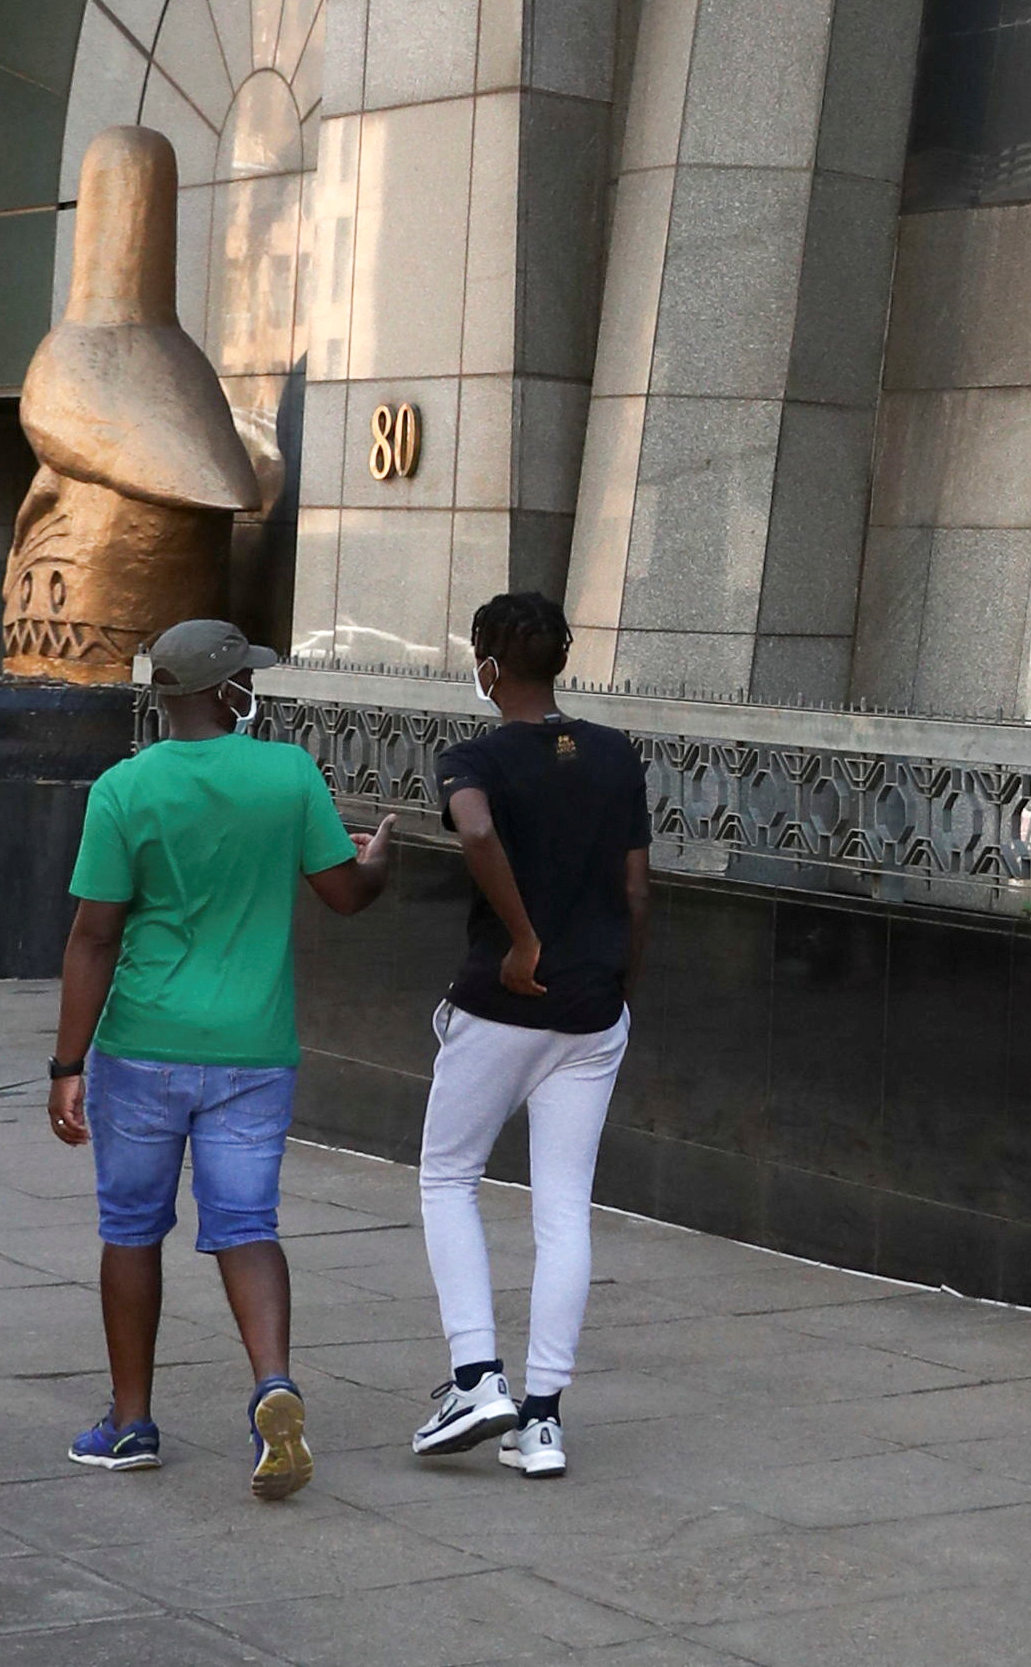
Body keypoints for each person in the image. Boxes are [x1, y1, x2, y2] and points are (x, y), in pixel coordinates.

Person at [48, 619, 396, 1497]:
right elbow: (344, 895)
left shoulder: (124, 789)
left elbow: (93, 936)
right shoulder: (286, 775)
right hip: (253, 1048)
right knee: (247, 1225)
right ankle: (272, 1385)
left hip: (142, 1044)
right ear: (223, 691)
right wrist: (379, 863)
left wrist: (66, 1064)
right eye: (245, 675)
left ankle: (130, 1425)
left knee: (131, 1229)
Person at [409, 592, 649, 1480]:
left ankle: (476, 1375)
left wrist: (521, 937)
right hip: (592, 1010)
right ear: (561, 659)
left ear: (487, 663)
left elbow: (473, 827)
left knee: (447, 1176)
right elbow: (636, 890)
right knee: (562, 1210)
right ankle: (541, 1419)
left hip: (504, 1003)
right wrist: (621, 991)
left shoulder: (475, 755)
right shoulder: (615, 752)